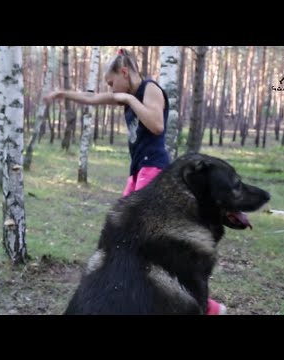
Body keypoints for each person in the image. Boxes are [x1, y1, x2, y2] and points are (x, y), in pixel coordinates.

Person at [44, 48, 226, 315]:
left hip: (154, 170)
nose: (110, 88)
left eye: (111, 81)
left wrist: (128, 98)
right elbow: (92, 98)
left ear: (124, 73)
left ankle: (201, 304)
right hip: (138, 172)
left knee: (140, 243)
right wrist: (64, 94)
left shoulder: (150, 88)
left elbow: (156, 125)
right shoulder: (126, 94)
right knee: (122, 238)